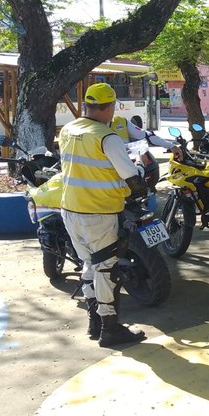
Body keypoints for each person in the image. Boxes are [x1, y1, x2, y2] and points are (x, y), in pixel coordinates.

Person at [58, 83, 149, 347]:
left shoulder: (68, 129)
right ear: (109, 107)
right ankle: (110, 328)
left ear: (88, 105)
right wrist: (141, 175)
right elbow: (130, 176)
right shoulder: (107, 137)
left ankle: (94, 322)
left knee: (89, 264)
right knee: (107, 269)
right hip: (98, 212)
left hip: (70, 210)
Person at [107, 110, 183, 209]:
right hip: (106, 180)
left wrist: (172, 146)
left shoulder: (120, 121)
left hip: (126, 173)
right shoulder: (88, 128)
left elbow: (146, 135)